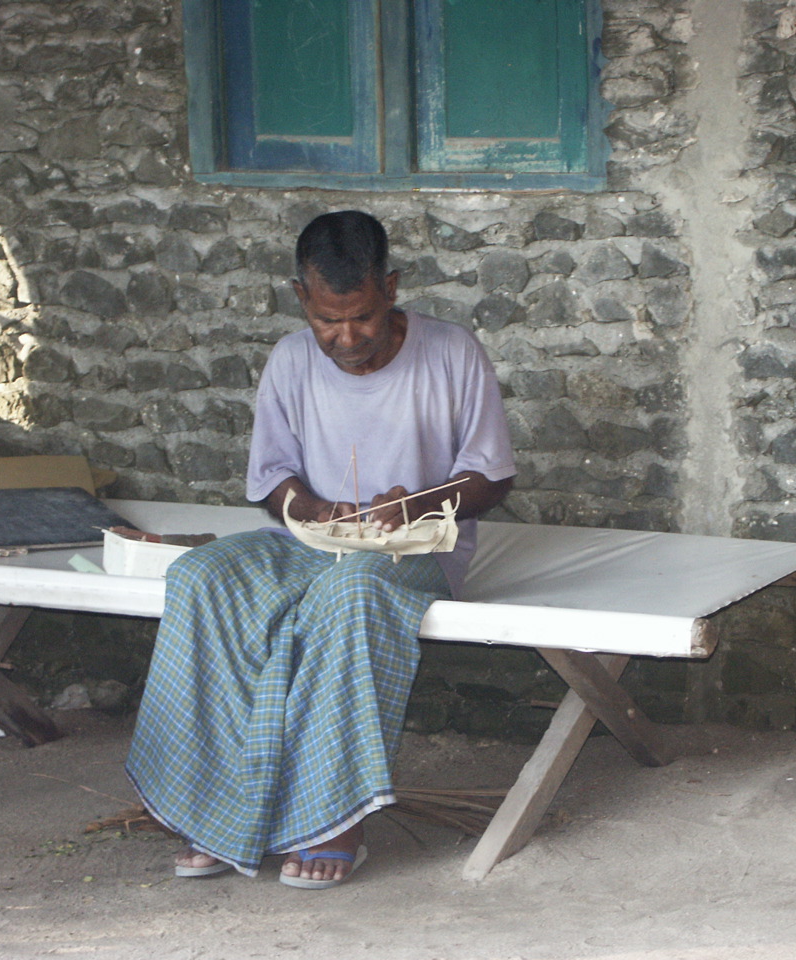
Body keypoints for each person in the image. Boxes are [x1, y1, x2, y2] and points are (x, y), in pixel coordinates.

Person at [126, 210, 515, 888]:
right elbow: (273, 478)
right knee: (200, 577)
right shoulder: (290, 359)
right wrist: (310, 507)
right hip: (307, 542)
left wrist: (415, 504)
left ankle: (333, 821)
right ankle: (214, 811)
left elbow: (492, 477)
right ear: (301, 298)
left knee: (351, 588)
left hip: (413, 551)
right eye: (326, 321)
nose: (346, 338)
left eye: (362, 317)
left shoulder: (452, 352)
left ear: (390, 288)